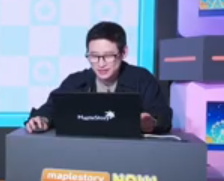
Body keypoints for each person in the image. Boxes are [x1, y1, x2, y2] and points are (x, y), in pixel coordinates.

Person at [25, 21, 172, 134]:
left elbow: (163, 115)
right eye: (94, 56)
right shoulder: (76, 81)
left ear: (124, 53)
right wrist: (42, 119)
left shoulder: (142, 78)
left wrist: (151, 122)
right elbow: (51, 108)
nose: (101, 64)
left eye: (108, 56)